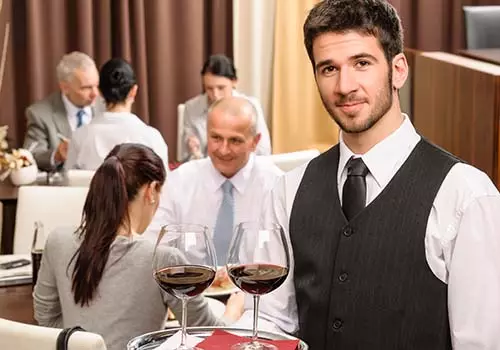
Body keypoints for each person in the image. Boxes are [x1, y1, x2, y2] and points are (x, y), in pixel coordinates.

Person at [235, 0, 500, 349]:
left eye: (362, 63)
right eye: (328, 69)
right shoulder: (289, 189)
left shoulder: (466, 195)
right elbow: (272, 323)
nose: (345, 86)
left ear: (399, 69)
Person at [33, 143, 243, 350]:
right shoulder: (162, 259)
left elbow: (45, 319)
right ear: (151, 191)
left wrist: (84, 343)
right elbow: (208, 335)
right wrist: (233, 310)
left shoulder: (57, 241)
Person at [146, 96, 282, 265]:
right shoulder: (180, 181)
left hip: (255, 288)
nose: (224, 150)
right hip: (189, 287)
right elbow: (152, 247)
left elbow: (281, 259)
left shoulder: (275, 186)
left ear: (255, 142)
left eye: (235, 140)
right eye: (216, 138)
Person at [65, 58, 169, 170]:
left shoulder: (80, 137)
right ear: (134, 91)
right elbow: (164, 185)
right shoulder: (152, 137)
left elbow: (69, 181)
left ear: (99, 91)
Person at [181, 54, 271, 161]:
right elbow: (185, 157)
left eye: (221, 88)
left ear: (234, 82)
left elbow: (264, 151)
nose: (215, 95)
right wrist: (191, 147)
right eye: (209, 88)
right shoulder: (191, 108)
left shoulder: (251, 106)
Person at [23, 51, 103, 171]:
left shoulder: (107, 107)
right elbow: (30, 156)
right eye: (86, 88)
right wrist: (56, 155)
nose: (95, 94)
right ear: (65, 87)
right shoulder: (39, 114)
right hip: (63, 187)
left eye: (96, 85)